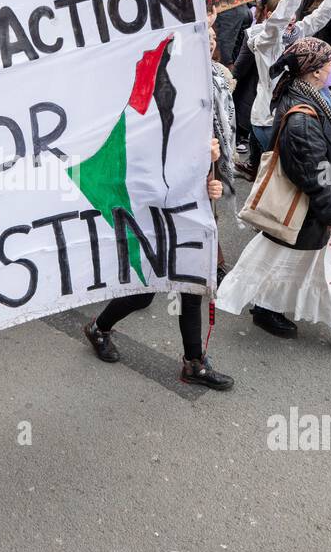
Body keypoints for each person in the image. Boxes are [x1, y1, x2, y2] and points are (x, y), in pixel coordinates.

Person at [217, 38, 331, 354]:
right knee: (305, 263)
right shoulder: (302, 117)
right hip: (304, 208)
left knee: (299, 263)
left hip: (304, 211)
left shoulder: (309, 96)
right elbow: (311, 173)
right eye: (329, 62)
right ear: (314, 72)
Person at [81, 137, 234, 390]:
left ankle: (194, 364)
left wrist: (212, 179)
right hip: (154, 220)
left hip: (189, 220)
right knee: (143, 294)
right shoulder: (148, 120)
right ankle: (98, 328)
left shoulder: (199, 115)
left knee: (191, 290)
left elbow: (213, 181)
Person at [245, 0, 331, 169]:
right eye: (288, 13)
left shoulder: (295, 34)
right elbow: (279, 21)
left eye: (295, 13)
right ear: (270, 16)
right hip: (270, 120)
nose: (292, 18)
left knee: (292, 171)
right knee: (284, 174)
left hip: (290, 112)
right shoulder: (266, 42)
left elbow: (320, 17)